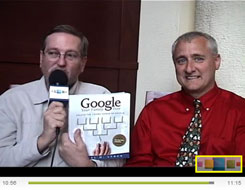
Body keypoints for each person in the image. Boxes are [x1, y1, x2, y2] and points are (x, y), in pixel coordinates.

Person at [0, 24, 124, 167]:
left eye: (70, 55)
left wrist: (86, 165)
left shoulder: (102, 97)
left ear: (82, 63)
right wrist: (42, 140)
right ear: (41, 58)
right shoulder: (11, 100)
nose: (61, 62)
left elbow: (117, 159)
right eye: (53, 53)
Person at [125, 31, 245, 167]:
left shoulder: (240, 110)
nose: (189, 68)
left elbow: (240, 166)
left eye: (198, 58)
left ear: (216, 62)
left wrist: (199, 166)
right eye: (181, 60)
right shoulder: (153, 112)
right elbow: (138, 164)